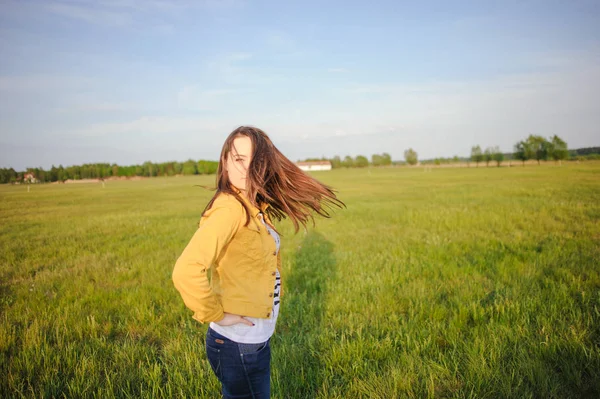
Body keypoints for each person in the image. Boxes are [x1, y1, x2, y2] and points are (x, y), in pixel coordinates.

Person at [172, 126, 344, 399]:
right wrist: (216, 314)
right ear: (225, 161)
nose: (244, 168)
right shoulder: (230, 209)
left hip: (249, 342)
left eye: (253, 161)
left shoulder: (252, 206)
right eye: (237, 159)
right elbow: (186, 270)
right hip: (238, 344)